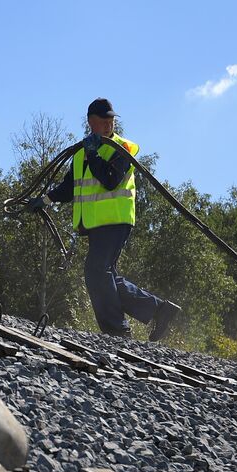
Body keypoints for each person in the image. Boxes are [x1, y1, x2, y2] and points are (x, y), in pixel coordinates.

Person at [27, 98, 181, 341]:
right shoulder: (80, 154)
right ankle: (160, 310)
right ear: (91, 122)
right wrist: (44, 200)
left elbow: (111, 180)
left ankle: (117, 330)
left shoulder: (123, 149)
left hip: (116, 220)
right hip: (96, 224)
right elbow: (69, 188)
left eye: (111, 120)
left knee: (96, 271)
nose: (109, 124)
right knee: (104, 274)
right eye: (103, 120)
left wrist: (93, 155)